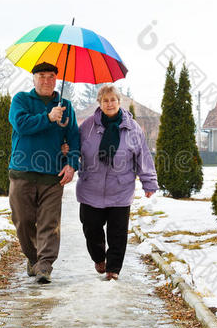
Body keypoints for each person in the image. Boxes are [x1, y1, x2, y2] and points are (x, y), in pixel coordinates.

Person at [76, 84, 158, 280]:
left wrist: (149, 183)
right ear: (100, 103)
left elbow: (142, 156)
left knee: (118, 234)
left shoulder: (132, 129)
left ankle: (113, 270)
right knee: (91, 228)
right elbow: (73, 148)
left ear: (120, 102)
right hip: (91, 189)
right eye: (105, 100)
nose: (110, 103)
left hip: (120, 189)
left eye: (113, 100)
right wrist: (65, 153)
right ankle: (98, 258)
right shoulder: (87, 126)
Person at [8, 62, 80, 284]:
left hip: (52, 175)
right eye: (41, 76)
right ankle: (33, 258)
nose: (46, 80)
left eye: (51, 76)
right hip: (22, 172)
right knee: (23, 221)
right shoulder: (21, 100)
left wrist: (72, 163)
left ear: (56, 80)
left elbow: (74, 138)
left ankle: (45, 265)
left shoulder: (66, 106)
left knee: (49, 223)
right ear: (33, 78)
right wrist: (48, 117)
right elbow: (21, 125)